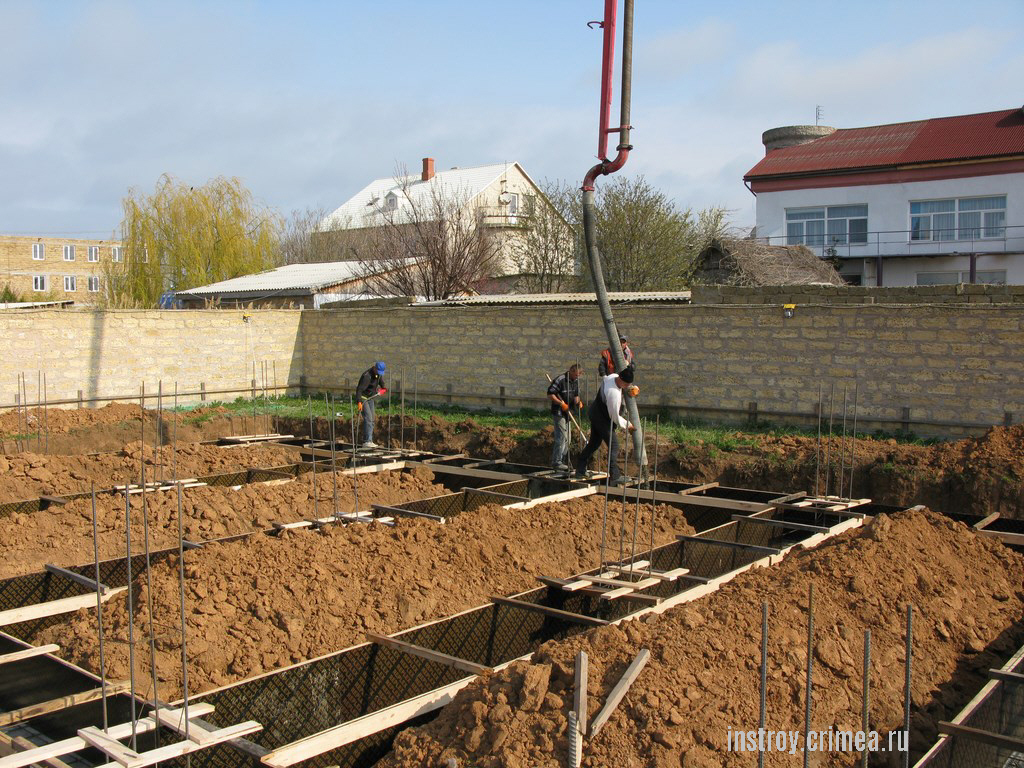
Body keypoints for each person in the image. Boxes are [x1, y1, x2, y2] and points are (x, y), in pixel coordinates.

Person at [575, 367, 636, 484]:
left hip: (595, 413)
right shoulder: (613, 394)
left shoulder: (612, 376)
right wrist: (628, 425)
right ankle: (614, 475)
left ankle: (580, 470)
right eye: (627, 385)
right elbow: (614, 416)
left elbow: (622, 386)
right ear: (622, 381)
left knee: (593, 444)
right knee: (614, 445)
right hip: (602, 419)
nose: (628, 387)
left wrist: (628, 390)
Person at [547, 364, 582, 471]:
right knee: (561, 437)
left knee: (568, 438)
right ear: (571, 371)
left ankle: (563, 460)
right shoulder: (560, 380)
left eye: (578, 376)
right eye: (576, 375)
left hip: (569, 412)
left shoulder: (575, 381)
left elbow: (576, 395)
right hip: (559, 412)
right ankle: (556, 462)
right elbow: (550, 394)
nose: (577, 377)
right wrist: (561, 404)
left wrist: (578, 402)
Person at [356, 361, 387, 448]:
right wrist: (359, 402)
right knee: (368, 418)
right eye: (378, 371)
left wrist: (383, 388)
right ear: (374, 368)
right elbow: (359, 389)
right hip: (363, 399)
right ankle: (367, 441)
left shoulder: (378, 374)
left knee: (372, 419)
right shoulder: (367, 376)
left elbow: (381, 381)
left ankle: (369, 440)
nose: (379, 374)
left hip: (370, 398)